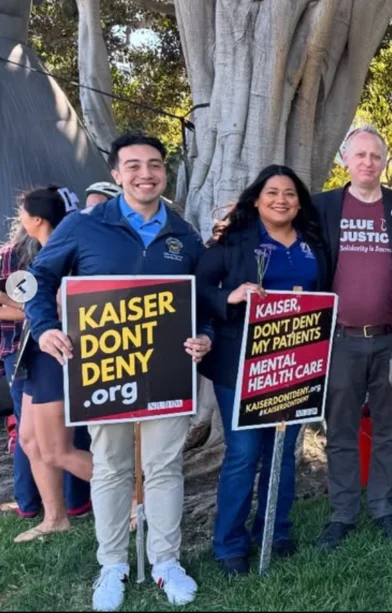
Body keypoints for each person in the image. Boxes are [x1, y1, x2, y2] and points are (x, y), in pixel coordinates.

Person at [26, 133, 213, 612]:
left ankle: (166, 562)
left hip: (169, 371)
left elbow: (206, 301)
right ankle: (112, 564)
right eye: (133, 166)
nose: (145, 173)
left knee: (165, 468)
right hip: (103, 367)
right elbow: (39, 281)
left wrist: (205, 336)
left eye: (154, 165)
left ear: (165, 173)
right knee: (110, 468)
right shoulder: (84, 226)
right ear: (116, 174)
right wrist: (45, 326)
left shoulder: (183, 234)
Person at [196, 166, 331, 577]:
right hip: (240, 362)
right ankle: (230, 545)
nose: (281, 200)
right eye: (272, 192)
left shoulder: (312, 244)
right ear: (256, 199)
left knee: (282, 452)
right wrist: (231, 296)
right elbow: (198, 287)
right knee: (243, 453)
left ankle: (274, 531)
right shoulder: (233, 241)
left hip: (296, 363)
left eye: (290, 193)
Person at [311, 125, 392, 550]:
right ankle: (342, 513)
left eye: (375, 156)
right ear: (345, 160)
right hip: (340, 340)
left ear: (383, 161)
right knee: (339, 429)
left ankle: (383, 507)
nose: (367, 162)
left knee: (390, 428)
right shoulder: (322, 206)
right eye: (359, 155)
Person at [1, 188, 91, 538]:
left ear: (37, 219)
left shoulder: (68, 251)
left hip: (59, 351)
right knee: (28, 439)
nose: (19, 218)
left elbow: (64, 303)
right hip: (31, 351)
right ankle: (55, 518)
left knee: (58, 449)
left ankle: (134, 498)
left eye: (22, 212)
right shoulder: (28, 252)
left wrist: (31, 307)